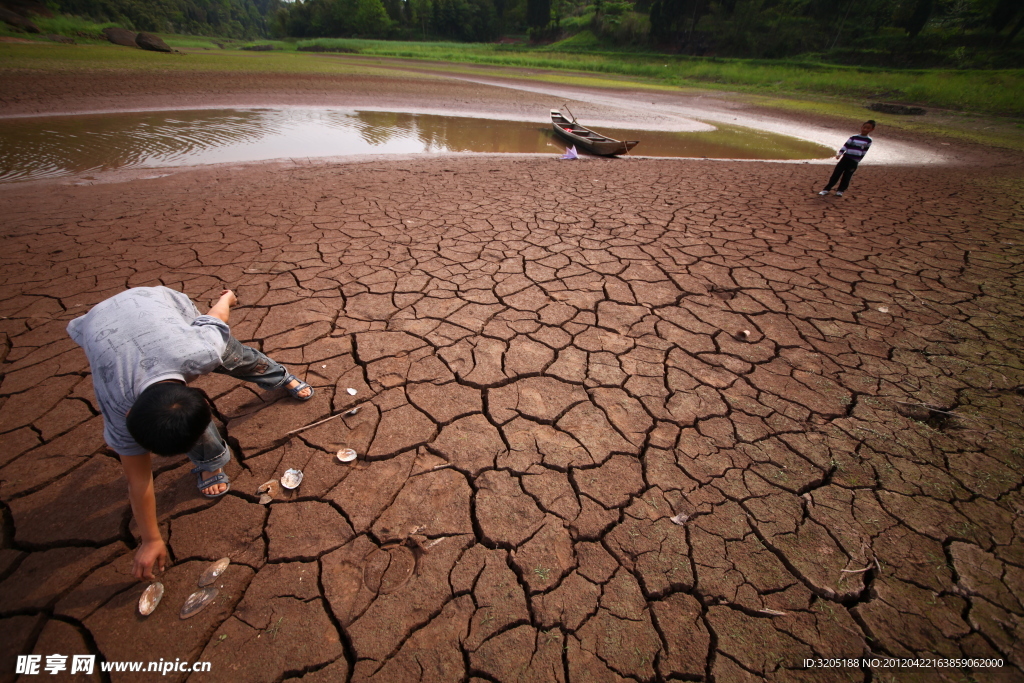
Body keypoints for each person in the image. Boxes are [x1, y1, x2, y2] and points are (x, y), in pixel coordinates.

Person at [66, 286, 313, 580]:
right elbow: (138, 479)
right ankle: (210, 462)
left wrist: (227, 298)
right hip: (101, 323)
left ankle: (280, 376)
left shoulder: (201, 350)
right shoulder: (116, 402)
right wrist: (151, 539)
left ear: (199, 396)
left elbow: (215, 319)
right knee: (185, 420)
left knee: (238, 357)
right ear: (130, 415)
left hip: (158, 303)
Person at [818, 120, 875, 197]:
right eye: (864, 127)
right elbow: (846, 146)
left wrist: (858, 160)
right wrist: (840, 154)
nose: (865, 129)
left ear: (872, 130)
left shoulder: (868, 140)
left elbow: (864, 151)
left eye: (868, 128)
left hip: (854, 161)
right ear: (861, 127)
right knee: (836, 174)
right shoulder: (853, 137)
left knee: (847, 176)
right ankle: (826, 189)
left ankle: (840, 191)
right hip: (846, 158)